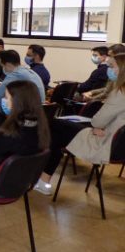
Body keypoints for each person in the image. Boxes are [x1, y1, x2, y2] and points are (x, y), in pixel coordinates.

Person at [36, 53, 125, 195]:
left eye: (111, 66)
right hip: (116, 142)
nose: (108, 69)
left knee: (54, 126)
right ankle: (42, 180)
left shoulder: (120, 92)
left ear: (121, 69)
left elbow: (97, 121)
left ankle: (42, 179)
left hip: (104, 142)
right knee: (57, 132)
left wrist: (99, 126)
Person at [0, 50, 46, 141]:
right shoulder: (30, 72)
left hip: (21, 119)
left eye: (2, 66)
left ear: (8, 64)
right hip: (38, 117)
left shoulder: (15, 75)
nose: (3, 69)